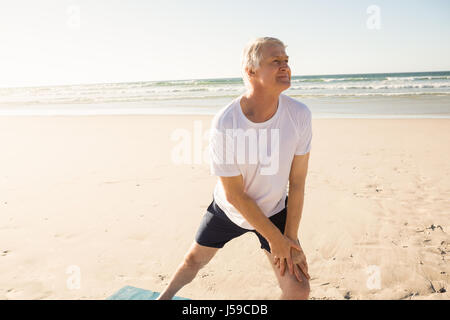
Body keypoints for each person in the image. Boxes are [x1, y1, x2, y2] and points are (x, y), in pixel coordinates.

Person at [157, 37, 312, 300]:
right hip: (230, 210)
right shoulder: (226, 122)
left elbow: (297, 182)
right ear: (251, 71)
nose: (285, 66)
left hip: (275, 210)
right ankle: (165, 296)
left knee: (299, 289)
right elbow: (234, 194)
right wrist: (276, 240)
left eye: (286, 61)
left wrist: (291, 238)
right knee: (193, 261)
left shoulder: (299, 114)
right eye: (276, 61)